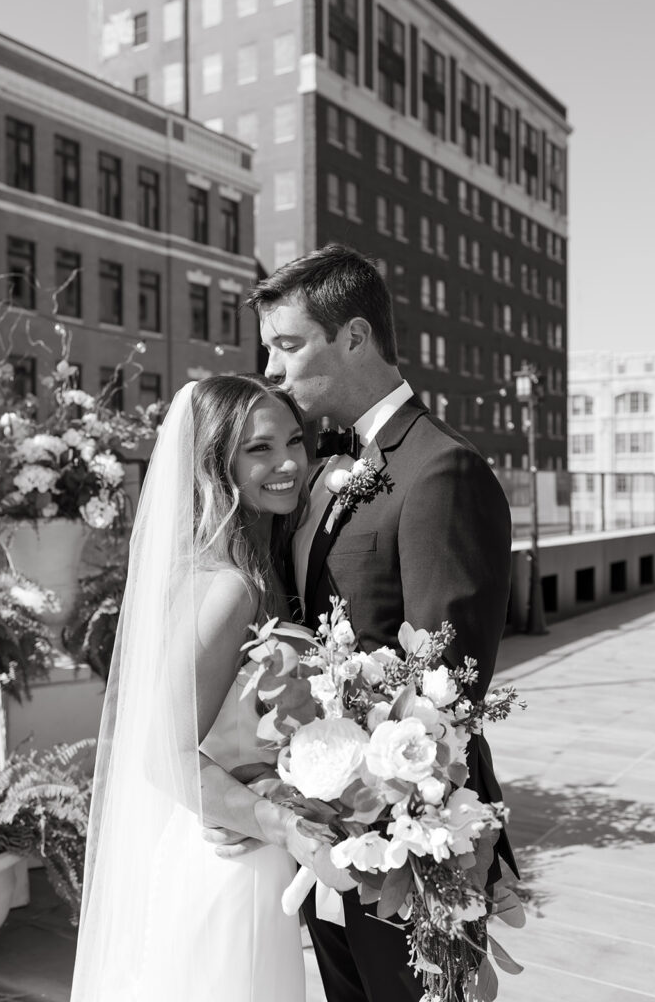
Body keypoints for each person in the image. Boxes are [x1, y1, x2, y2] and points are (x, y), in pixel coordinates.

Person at [240, 243, 518, 1002]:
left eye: (289, 345)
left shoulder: (439, 470)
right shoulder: (321, 466)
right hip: (325, 822)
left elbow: (445, 684)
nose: (273, 370)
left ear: (354, 337)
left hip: (407, 834)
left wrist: (376, 818)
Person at [70, 374, 326, 1002]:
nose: (287, 462)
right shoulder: (230, 586)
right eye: (259, 449)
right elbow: (164, 752)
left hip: (218, 841)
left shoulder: (206, 567)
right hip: (231, 862)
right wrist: (278, 822)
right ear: (218, 464)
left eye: (293, 441)